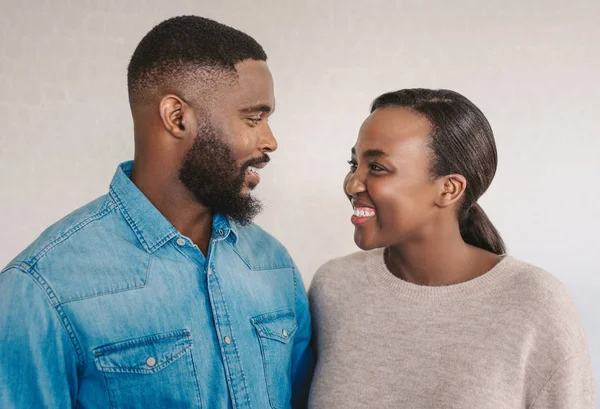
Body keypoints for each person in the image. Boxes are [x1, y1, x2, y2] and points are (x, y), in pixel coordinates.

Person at [0, 16, 313, 409]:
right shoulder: (41, 288)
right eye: (254, 118)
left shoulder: (274, 265)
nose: (270, 141)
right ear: (176, 117)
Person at [308, 88, 595, 408]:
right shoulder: (333, 288)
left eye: (376, 168)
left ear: (449, 189)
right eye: (354, 163)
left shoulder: (535, 303)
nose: (352, 184)